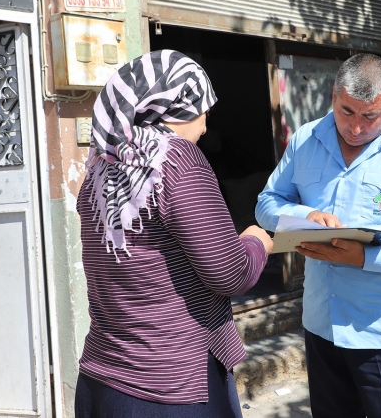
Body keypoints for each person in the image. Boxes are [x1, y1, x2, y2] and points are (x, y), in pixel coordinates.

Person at [75, 49, 273, 417]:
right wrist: (257, 241)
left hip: (102, 377)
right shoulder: (177, 160)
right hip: (169, 383)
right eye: (204, 112)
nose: (205, 126)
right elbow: (230, 273)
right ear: (179, 108)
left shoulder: (99, 170)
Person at [256, 53, 381, 418]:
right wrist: (306, 215)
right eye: (347, 111)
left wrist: (364, 257)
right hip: (321, 324)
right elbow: (267, 202)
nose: (356, 128)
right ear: (334, 95)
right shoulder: (305, 140)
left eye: (370, 116)